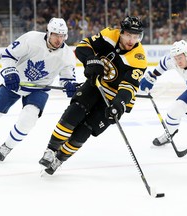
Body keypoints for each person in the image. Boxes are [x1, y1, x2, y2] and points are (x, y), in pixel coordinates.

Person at [0, 17, 78, 161]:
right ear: (48, 32)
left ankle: (8, 146)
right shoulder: (31, 39)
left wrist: (69, 85)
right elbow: (9, 55)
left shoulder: (67, 55)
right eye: (56, 35)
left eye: (62, 36)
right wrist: (10, 72)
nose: (59, 40)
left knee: (29, 118)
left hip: (39, 88)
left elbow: (67, 77)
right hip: (16, 82)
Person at [38, 16, 147, 175]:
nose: (132, 40)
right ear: (121, 32)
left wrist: (119, 104)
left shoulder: (139, 58)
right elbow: (83, 46)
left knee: (86, 130)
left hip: (114, 98)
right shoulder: (109, 35)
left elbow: (129, 86)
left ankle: (60, 158)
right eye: (129, 35)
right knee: (73, 113)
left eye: (136, 36)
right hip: (96, 85)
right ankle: (51, 149)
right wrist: (91, 60)